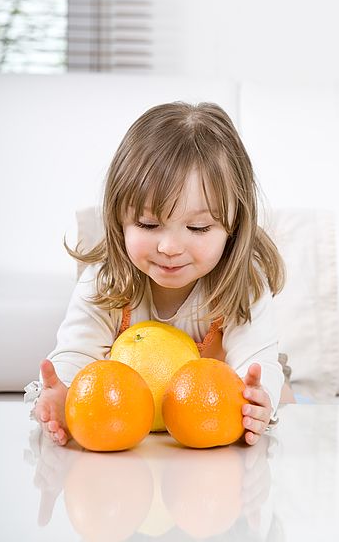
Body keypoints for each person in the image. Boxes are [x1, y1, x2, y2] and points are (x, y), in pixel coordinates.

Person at [25, 101, 294, 448]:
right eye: (148, 224)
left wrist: (257, 402)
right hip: (143, 430)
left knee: (282, 410)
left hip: (208, 423)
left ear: (234, 227)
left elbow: (256, 362)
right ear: (118, 218)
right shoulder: (106, 280)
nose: (169, 246)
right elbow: (76, 355)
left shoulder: (242, 285)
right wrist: (62, 394)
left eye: (198, 227)